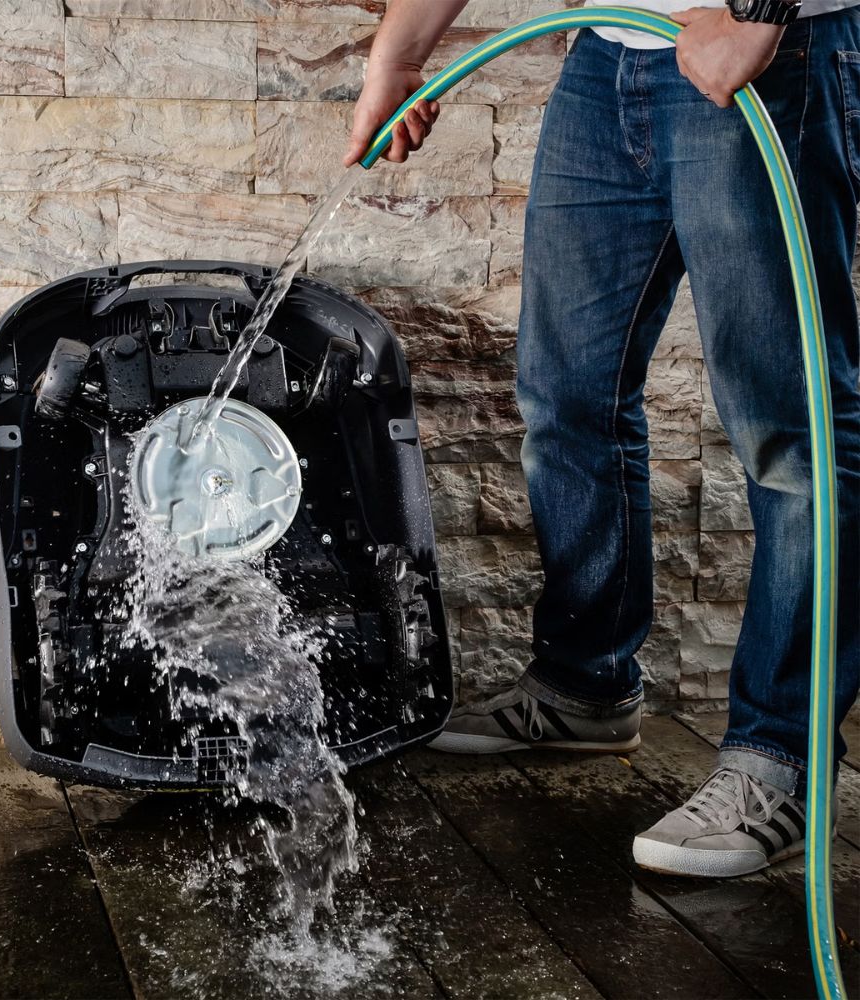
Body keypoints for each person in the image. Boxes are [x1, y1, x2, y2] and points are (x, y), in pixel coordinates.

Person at [344, 0, 860, 878]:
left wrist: (760, 16)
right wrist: (395, 56)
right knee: (567, 396)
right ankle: (586, 684)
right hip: (610, 55)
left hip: (773, 56)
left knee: (791, 436)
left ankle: (783, 760)